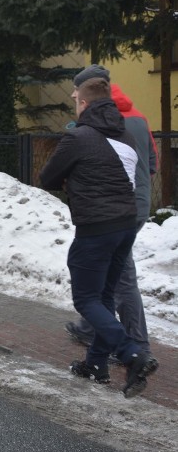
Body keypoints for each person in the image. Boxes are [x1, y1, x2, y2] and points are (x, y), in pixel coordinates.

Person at [39, 76, 157, 398]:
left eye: (76, 98)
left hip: (96, 230)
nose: (74, 103)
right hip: (125, 227)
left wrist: (71, 179)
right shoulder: (125, 136)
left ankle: (133, 355)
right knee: (105, 296)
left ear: (85, 104)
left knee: (87, 300)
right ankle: (95, 364)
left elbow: (46, 177)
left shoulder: (79, 138)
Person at [64, 66, 160, 361]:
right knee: (113, 274)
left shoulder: (98, 124)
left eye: (76, 89)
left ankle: (135, 345)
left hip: (115, 212)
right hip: (136, 204)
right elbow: (153, 162)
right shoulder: (139, 119)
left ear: (86, 93)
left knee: (122, 278)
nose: (72, 94)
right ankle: (96, 333)